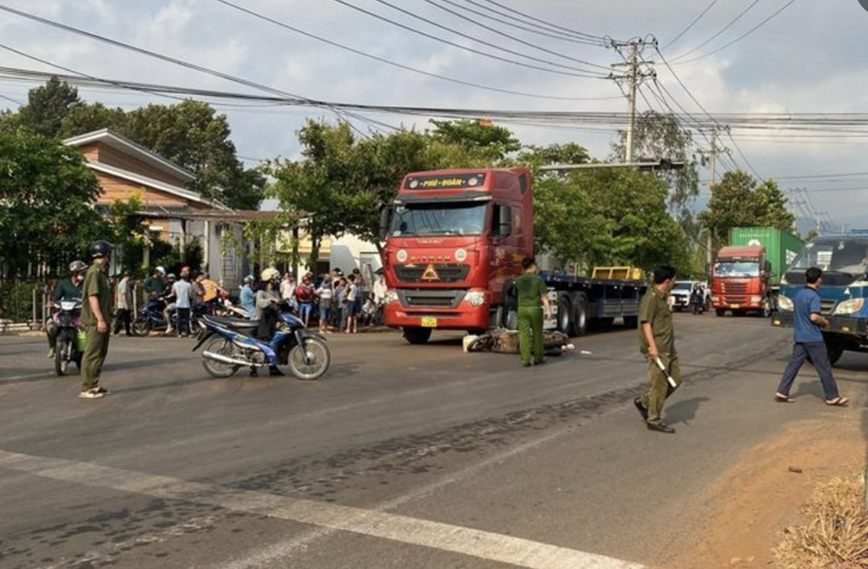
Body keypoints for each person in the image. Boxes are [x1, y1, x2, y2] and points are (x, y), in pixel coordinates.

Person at [775, 267, 849, 406]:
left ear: (806, 278)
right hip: (813, 338)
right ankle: (832, 396)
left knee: (793, 365)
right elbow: (814, 316)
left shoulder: (799, 295)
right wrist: (825, 322)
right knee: (824, 367)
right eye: (821, 278)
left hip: (800, 336)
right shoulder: (814, 296)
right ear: (819, 280)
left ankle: (782, 391)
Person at [634, 265, 682, 434]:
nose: (674, 283)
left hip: (669, 347)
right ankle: (653, 419)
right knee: (660, 385)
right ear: (667, 281)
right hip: (658, 349)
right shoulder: (652, 297)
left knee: (675, 379)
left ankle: (646, 402)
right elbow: (645, 323)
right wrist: (652, 347)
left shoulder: (663, 297)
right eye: (674, 280)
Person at [80, 241, 113, 400]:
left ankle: (94, 384)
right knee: (92, 353)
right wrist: (100, 319)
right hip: (95, 320)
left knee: (100, 352)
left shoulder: (102, 273)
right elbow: (93, 297)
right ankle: (87, 387)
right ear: (105, 254)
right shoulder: (94, 272)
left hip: (103, 318)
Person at [514, 257, 551, 367]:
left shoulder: (519, 280)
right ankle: (538, 357)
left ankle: (525, 359)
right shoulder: (538, 279)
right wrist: (548, 310)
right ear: (532, 266)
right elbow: (544, 297)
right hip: (535, 309)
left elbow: (515, 293)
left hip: (522, 309)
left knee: (523, 335)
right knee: (537, 334)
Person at [46, 260, 87, 358]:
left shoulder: (86, 284)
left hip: (80, 314)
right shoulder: (64, 284)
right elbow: (56, 298)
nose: (84, 274)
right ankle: (52, 347)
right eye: (82, 272)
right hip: (64, 313)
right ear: (75, 273)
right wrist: (52, 303)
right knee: (49, 325)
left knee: (86, 330)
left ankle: (85, 352)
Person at [251, 268, 285, 377]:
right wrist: (270, 301)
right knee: (261, 345)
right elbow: (260, 303)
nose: (277, 281)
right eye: (275, 278)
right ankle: (253, 368)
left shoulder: (275, 292)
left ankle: (273, 368)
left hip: (271, 321)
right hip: (260, 321)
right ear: (269, 279)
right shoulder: (261, 292)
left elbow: (279, 304)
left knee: (274, 344)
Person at [172, 269, 193, 337]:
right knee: (187, 319)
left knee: (179, 319)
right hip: (186, 304)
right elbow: (190, 295)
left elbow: (173, 293)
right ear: (186, 277)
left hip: (178, 303)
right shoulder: (188, 285)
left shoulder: (175, 284)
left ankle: (179, 333)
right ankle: (189, 332)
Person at [112, 272, 133, 336]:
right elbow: (123, 295)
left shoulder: (125, 284)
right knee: (120, 319)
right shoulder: (123, 284)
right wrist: (125, 305)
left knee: (127, 319)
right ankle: (116, 332)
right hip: (122, 305)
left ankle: (128, 332)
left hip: (125, 304)